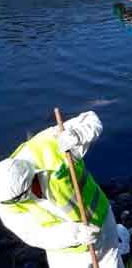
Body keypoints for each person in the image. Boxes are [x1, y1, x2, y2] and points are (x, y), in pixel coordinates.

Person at [0, 111, 123, 268]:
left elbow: (92, 120)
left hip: (101, 221)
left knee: (111, 264)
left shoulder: (47, 145)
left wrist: (77, 135)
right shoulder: (6, 205)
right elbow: (35, 235)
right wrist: (75, 234)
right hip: (66, 251)